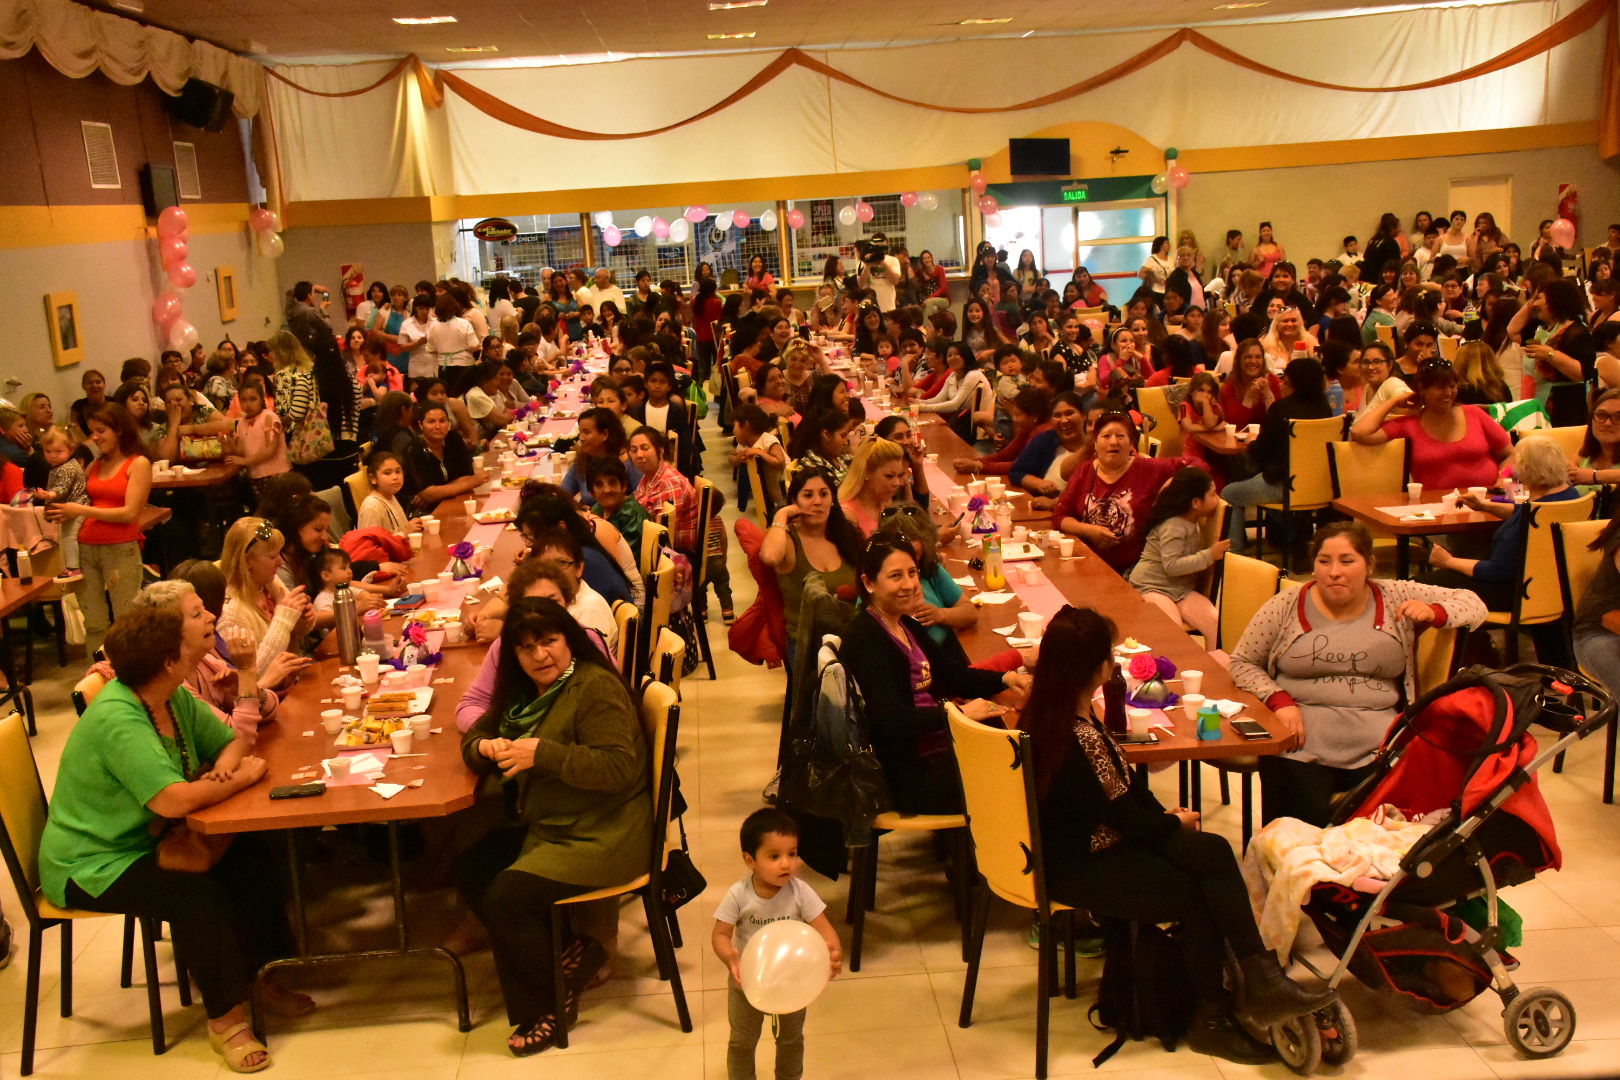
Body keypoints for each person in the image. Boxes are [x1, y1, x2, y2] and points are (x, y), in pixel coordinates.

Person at [1025, 605, 1334, 1065]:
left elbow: (1121, 796)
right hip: (1082, 864)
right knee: (1199, 893)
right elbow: (1122, 816)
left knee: (1211, 850)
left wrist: (1168, 819)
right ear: (1098, 667)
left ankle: (1259, 976)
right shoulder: (1074, 736)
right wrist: (1173, 823)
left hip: (1098, 842)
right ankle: (1214, 1014)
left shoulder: (1057, 714)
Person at [38, 599, 304, 1074]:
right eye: (190, 641)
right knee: (193, 898)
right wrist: (238, 779)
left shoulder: (169, 695)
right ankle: (227, 1023)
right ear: (168, 660)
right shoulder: (120, 718)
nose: (203, 645)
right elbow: (173, 801)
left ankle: (264, 977)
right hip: (93, 860)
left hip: (147, 838)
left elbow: (230, 744)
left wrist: (223, 774)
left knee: (251, 854)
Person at [453, 598, 650, 1057]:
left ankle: (545, 1005)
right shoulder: (526, 691)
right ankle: (571, 955)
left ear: (570, 641)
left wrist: (542, 753)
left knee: (506, 898)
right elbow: (473, 735)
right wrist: (485, 748)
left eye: (549, 642)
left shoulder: (593, 688)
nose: (540, 655)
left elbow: (617, 768)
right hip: (559, 823)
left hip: (607, 831)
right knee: (471, 870)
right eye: (526, 648)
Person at [1231, 522, 1485, 825]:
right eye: (1324, 561)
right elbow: (1242, 662)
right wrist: (1279, 699)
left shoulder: (1394, 594)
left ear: (1369, 565)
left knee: (1379, 842)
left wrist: (1435, 613)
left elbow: (1474, 603)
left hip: (1380, 751)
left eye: (1347, 561)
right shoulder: (1287, 604)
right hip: (1298, 748)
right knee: (1297, 838)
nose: (1334, 571)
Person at [840, 536, 1028, 813]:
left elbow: (953, 676)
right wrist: (957, 714)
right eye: (895, 576)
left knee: (1020, 754)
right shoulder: (867, 639)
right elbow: (891, 720)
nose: (909, 585)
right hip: (910, 777)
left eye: (912, 573)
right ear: (869, 583)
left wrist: (1005, 678)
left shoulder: (902, 623)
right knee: (1021, 772)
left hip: (934, 752)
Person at [713, 808, 841, 1080]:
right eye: (774, 856)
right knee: (742, 1042)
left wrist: (833, 951)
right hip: (746, 982)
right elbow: (720, 934)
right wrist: (730, 957)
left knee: (791, 1039)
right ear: (750, 861)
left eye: (792, 854)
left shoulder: (801, 892)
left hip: (792, 982)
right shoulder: (739, 894)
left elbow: (824, 928)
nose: (786, 864)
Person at [460, 555, 618, 729]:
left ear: (567, 601)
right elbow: (472, 703)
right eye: (533, 603)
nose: (543, 612)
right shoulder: (505, 646)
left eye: (553, 601)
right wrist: (488, 738)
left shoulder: (588, 641)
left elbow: (615, 700)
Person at [44, 403, 152, 642]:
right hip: (86, 548)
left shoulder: (138, 464)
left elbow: (129, 513)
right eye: (92, 431)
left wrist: (78, 509)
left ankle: (128, 675)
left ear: (119, 429)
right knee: (92, 623)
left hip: (120, 548)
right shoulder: (95, 465)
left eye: (101, 430)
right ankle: (97, 672)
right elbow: (77, 497)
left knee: (127, 620)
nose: (94, 437)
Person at [1052, 410, 1204, 572]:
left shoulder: (1148, 468)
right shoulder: (1085, 470)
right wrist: (1089, 531)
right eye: (1106, 436)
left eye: (1120, 436)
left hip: (1131, 569)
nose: (1113, 442)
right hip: (1084, 562)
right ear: (1095, 443)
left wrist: (1173, 483)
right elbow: (1060, 517)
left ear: (1131, 443)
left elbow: (1199, 464)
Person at [1222, 357, 1334, 552]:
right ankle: (1293, 536)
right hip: (1319, 487)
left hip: (1284, 485)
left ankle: (1235, 550)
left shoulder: (1282, 409)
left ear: (1290, 381)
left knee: (1229, 493)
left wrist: (1252, 441)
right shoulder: (1325, 409)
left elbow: (1260, 454)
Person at [1351, 359, 1511, 492]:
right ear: (1422, 389)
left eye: (1452, 386)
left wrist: (1503, 480)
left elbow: (1510, 454)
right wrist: (1394, 401)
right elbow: (1359, 432)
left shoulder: (1474, 414)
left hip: (1487, 504)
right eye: (1440, 387)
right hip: (1436, 511)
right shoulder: (1408, 424)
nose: (1448, 393)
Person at [761, 467, 864, 649]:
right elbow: (770, 557)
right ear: (795, 501)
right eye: (808, 496)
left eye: (824, 494)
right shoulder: (788, 539)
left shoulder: (845, 532)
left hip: (853, 635)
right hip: (809, 644)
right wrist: (782, 514)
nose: (817, 502)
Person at [1129, 467, 1228, 642]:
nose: (1218, 499)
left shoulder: (1193, 521)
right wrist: (1210, 555)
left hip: (1181, 590)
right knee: (1172, 631)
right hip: (1153, 586)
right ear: (1196, 503)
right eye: (1213, 494)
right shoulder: (1173, 524)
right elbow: (1172, 566)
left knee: (1215, 624)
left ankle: (1217, 666)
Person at [216, 517, 314, 679]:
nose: (280, 562)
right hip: (271, 696)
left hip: (295, 676)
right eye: (272, 556)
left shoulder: (269, 581)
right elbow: (253, 674)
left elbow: (296, 632)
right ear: (247, 560)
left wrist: (303, 619)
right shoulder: (230, 612)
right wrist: (284, 619)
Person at [1010, 391, 1091, 507]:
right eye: (1057, 415)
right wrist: (1039, 484)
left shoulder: (1096, 447)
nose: (1063, 420)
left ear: (1084, 415)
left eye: (1069, 413)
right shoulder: (1045, 440)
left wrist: (1053, 504)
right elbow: (1016, 472)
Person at [404, 400, 484, 514]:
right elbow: (428, 495)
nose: (438, 426)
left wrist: (438, 492)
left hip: (454, 502)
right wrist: (472, 482)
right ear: (421, 425)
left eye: (442, 421)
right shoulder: (414, 448)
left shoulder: (453, 439)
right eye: (431, 422)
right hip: (423, 513)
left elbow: (467, 476)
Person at [30, 427, 88, 582]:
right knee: (66, 536)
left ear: (71, 449)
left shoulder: (66, 468)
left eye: (58, 451)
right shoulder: (61, 466)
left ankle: (74, 567)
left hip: (78, 507)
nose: (53, 456)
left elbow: (62, 488)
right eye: (48, 452)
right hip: (72, 507)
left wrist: (49, 495)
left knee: (69, 536)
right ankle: (71, 565)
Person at [225, 379, 291, 503]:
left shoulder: (268, 417)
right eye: (243, 400)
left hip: (276, 474)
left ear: (262, 399)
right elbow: (241, 451)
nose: (248, 404)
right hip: (255, 476)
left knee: (282, 509)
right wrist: (229, 446)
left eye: (252, 399)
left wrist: (245, 461)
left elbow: (271, 450)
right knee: (266, 509)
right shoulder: (241, 423)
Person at [838, 437, 910, 536]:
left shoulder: (884, 504)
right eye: (889, 476)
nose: (897, 483)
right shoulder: (848, 516)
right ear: (867, 472)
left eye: (899, 476)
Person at [586, 456, 648, 554]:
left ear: (624, 486)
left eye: (612, 482)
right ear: (592, 493)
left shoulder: (632, 515)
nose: (607, 490)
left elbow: (626, 558)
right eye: (599, 484)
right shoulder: (597, 509)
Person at [357, 449, 421, 532]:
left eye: (398, 471)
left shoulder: (390, 496)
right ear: (373, 478)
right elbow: (370, 544)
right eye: (387, 473)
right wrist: (405, 532)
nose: (395, 477)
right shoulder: (372, 507)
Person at [1574, 389, 1620, 489]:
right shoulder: (1584, 454)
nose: (1607, 423)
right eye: (1601, 415)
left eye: (1618, 417)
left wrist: (1593, 476)